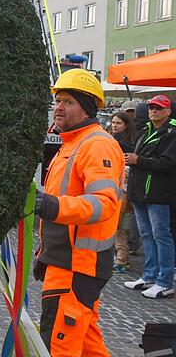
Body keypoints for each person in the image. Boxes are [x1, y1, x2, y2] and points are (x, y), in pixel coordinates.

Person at [33, 69, 123, 356]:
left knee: (59, 348)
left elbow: (104, 202)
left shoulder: (96, 144)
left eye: (68, 101)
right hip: (65, 262)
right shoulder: (71, 143)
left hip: (77, 265)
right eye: (58, 100)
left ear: (86, 108)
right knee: (87, 347)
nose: (58, 107)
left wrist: (49, 206)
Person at [123, 94, 176, 299]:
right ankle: (149, 275)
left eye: (159, 108)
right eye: (152, 107)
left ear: (168, 111)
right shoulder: (146, 131)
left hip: (158, 193)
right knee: (147, 235)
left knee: (161, 236)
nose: (154, 111)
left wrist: (139, 160)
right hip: (140, 192)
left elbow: (167, 163)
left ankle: (164, 281)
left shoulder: (171, 133)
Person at [108, 111, 137, 272]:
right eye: (113, 122)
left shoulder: (126, 143)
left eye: (118, 123)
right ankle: (120, 257)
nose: (114, 126)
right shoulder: (114, 140)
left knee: (119, 225)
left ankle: (122, 258)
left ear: (126, 125)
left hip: (123, 188)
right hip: (115, 186)